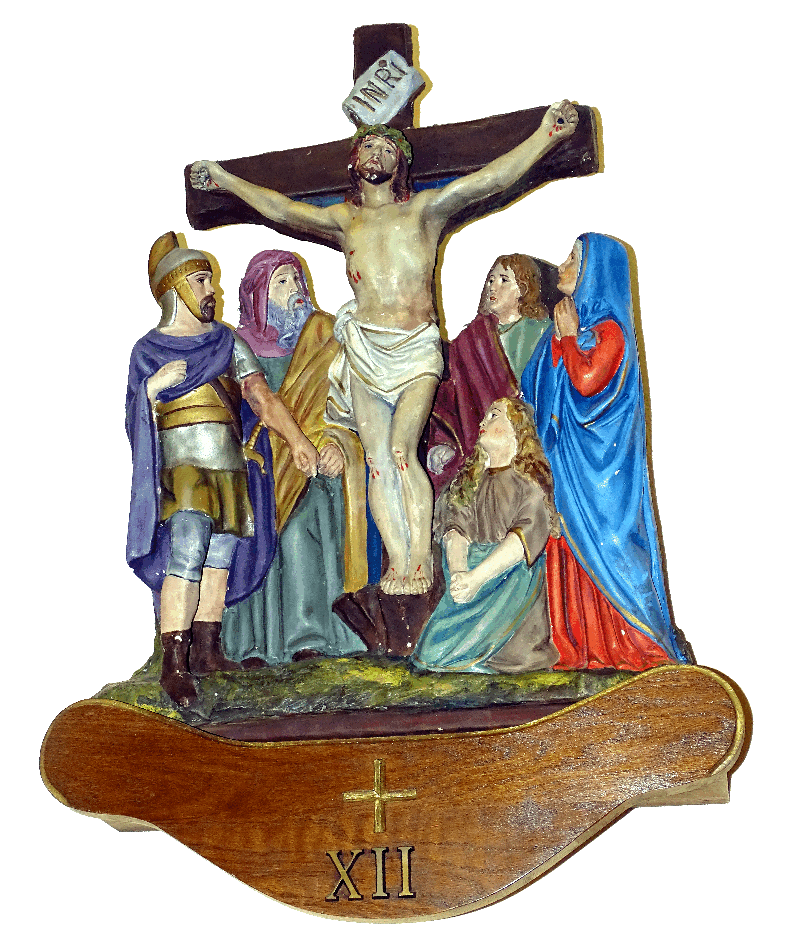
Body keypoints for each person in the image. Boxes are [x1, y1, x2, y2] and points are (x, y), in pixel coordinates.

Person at [190, 102, 578, 595]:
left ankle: (421, 557)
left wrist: (547, 135)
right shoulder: (343, 219)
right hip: (365, 347)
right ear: (354, 162)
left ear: (401, 164)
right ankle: (398, 559)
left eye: (387, 148)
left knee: (401, 451)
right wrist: (226, 180)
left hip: (414, 347)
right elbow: (282, 208)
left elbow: (488, 180)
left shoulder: (424, 211)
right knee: (377, 460)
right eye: (368, 145)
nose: (376, 152)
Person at [126, 234, 319, 708]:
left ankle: (209, 651)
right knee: (187, 555)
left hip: (229, 464)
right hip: (184, 467)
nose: (211, 288)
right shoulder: (149, 350)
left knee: (220, 556)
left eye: (209, 279)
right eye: (200, 280)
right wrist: (151, 387)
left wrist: (296, 440)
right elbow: (133, 416)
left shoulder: (228, 341)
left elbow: (261, 397)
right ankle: (175, 663)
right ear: (175, 287)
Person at [521, 233, 694, 669]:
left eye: (572, 259)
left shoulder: (610, 331)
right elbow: (532, 383)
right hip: (564, 463)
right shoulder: (564, 328)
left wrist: (566, 338)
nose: (562, 267)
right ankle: (580, 646)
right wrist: (556, 341)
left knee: (613, 546)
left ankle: (641, 645)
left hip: (603, 472)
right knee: (565, 547)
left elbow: (586, 382)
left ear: (595, 272)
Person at [220, 250, 367, 663]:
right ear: (258, 296)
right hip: (259, 464)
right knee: (249, 526)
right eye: (281, 282)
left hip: (313, 466)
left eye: (296, 280)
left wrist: (339, 443)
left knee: (302, 525)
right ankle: (250, 645)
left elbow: (350, 404)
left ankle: (310, 637)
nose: (294, 290)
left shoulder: (325, 337)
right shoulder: (236, 347)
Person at [411, 398, 560, 673]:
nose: (483, 421)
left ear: (517, 429)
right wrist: (460, 575)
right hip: (470, 577)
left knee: (509, 658)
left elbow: (522, 541)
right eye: (485, 416)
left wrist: (477, 578)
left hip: (508, 579)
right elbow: (455, 531)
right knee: (432, 651)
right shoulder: (468, 482)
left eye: (494, 415)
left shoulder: (528, 485)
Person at [427, 254, 552, 495]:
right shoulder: (471, 339)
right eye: (491, 280)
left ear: (523, 288)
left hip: (533, 439)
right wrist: (444, 442)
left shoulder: (543, 333)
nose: (493, 286)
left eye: (504, 280)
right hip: (479, 442)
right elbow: (453, 399)